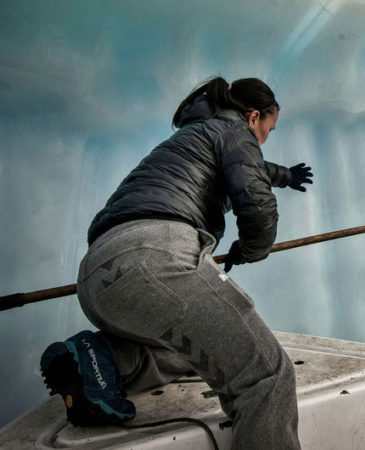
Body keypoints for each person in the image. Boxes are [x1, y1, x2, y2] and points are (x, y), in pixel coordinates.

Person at [39, 76, 311, 448]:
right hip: (155, 256)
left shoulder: (194, 138)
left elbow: (254, 168)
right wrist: (248, 251)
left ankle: (106, 360)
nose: (264, 139)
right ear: (252, 117)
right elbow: (256, 205)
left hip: (99, 274)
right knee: (265, 376)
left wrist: (287, 176)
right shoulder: (234, 132)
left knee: (193, 350)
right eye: (268, 129)